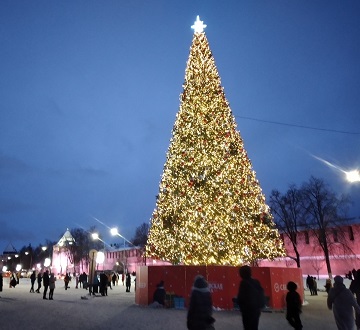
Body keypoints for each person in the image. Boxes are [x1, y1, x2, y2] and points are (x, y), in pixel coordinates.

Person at [237, 265, 265, 330]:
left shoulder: (243, 283)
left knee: (248, 327)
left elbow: (241, 297)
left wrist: (241, 306)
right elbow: (261, 292)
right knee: (254, 327)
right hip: (256, 310)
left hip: (247, 311)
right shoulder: (256, 282)